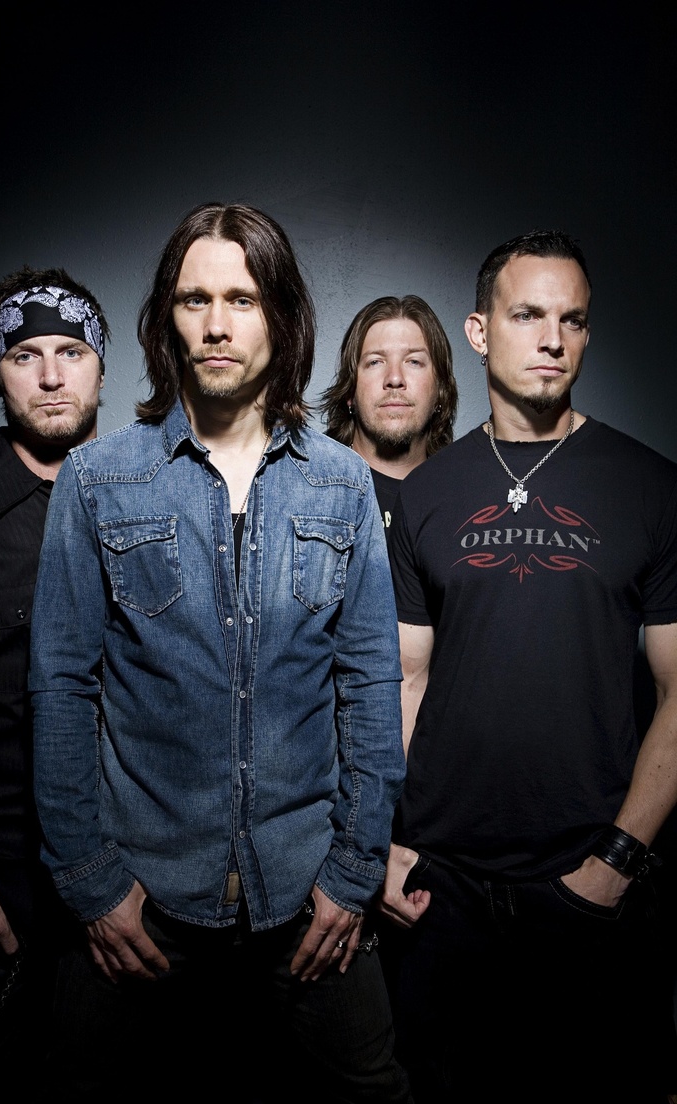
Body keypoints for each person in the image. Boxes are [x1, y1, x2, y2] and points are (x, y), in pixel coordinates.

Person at [29, 202, 412, 1102]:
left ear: (280, 316)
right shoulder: (98, 478)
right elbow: (57, 690)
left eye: (240, 297)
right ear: (168, 319)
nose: (216, 323)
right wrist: (92, 886)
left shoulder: (341, 481)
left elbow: (369, 683)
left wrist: (355, 876)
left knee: (373, 1098)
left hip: (308, 899)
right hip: (143, 901)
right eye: (194, 298)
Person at [378, 229, 677, 1103]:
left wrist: (615, 863)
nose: (552, 339)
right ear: (479, 332)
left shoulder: (651, 486)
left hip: (590, 885)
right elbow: (405, 678)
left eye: (572, 320)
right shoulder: (426, 494)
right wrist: (392, 843)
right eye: (528, 315)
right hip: (445, 896)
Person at [0, 268, 109, 1087]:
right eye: (26, 355)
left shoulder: (149, 506)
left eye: (71, 351)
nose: (50, 376)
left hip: (124, 902)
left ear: (103, 368)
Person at [321, 295, 457, 537]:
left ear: (441, 391)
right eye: (375, 362)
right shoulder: (312, 488)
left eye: (413, 361)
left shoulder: (465, 497)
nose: (394, 378)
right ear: (350, 391)